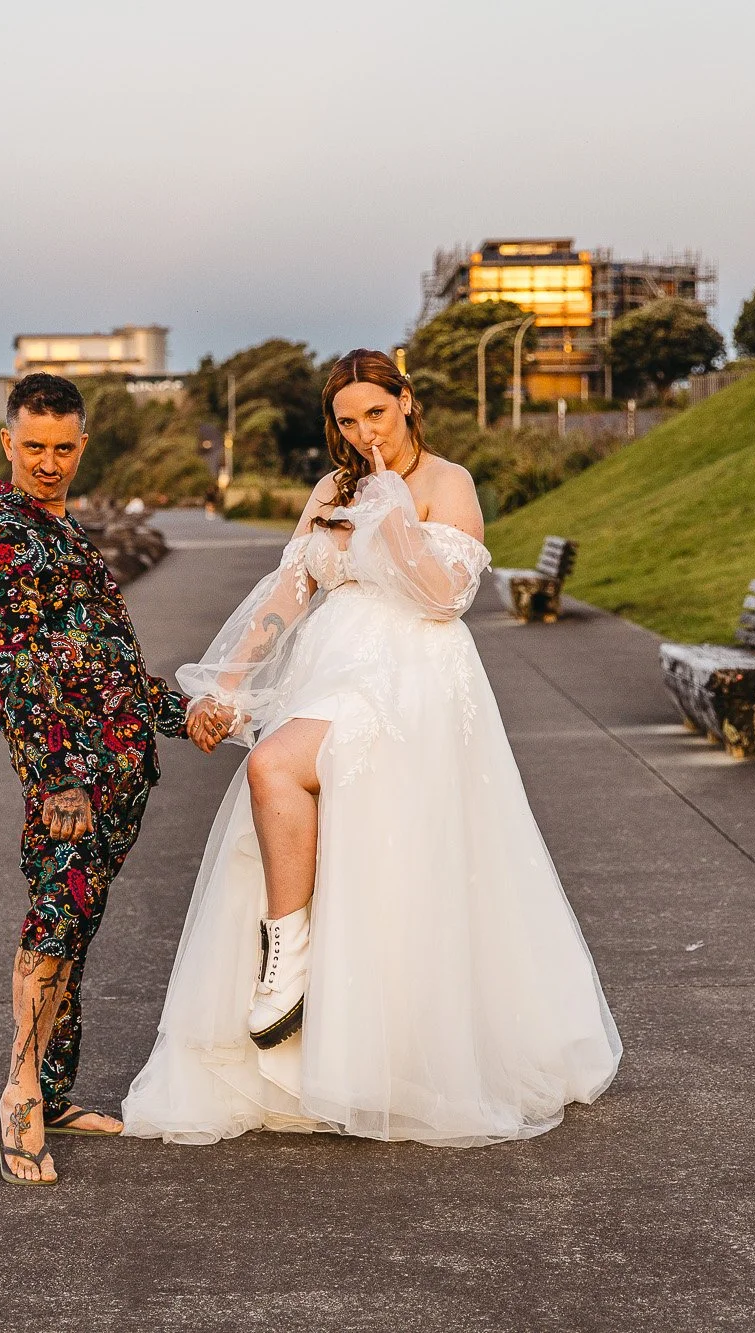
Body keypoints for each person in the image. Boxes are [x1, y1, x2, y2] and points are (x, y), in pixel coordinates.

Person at [123, 349, 622, 1147]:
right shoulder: (330, 490)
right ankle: (297, 980)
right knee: (295, 792)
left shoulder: (447, 483)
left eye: (376, 416)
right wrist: (231, 683)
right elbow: (292, 590)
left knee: (276, 766)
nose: (364, 435)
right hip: (332, 671)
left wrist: (393, 512)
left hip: (410, 676)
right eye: (348, 422)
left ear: (407, 402)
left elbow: (445, 597)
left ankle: (299, 967)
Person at [0, 372, 214, 1186]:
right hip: (69, 780)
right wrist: (56, 779)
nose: (48, 462)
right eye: (34, 446)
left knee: (80, 925)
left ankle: (57, 1090)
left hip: (122, 776)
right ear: (8, 442)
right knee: (56, 916)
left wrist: (187, 714)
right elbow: (19, 668)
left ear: (82, 444)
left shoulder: (71, 535)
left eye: (63, 448)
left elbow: (113, 672)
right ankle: (21, 1096)